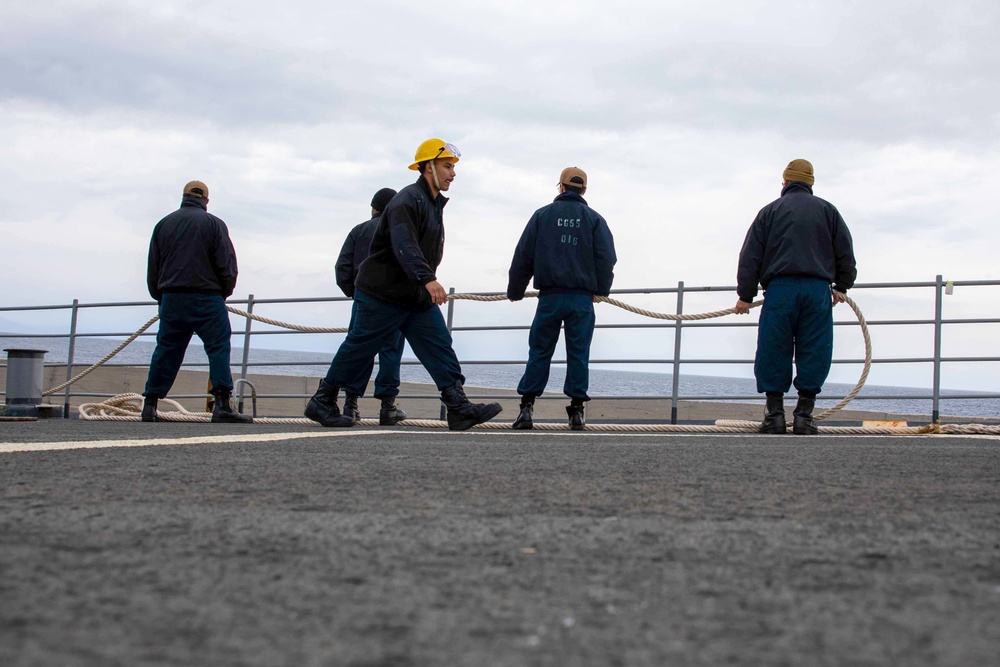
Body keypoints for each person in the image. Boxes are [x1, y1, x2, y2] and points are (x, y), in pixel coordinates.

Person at [305, 139, 503, 431]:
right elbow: (404, 244)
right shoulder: (407, 199)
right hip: (382, 294)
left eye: (453, 167)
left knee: (439, 345)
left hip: (413, 297)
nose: (453, 173)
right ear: (428, 167)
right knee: (359, 347)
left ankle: (458, 407)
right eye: (447, 166)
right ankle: (323, 400)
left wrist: (422, 282)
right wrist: (428, 279)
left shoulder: (433, 203)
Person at [734, 159, 857, 435]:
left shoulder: (769, 212)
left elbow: (750, 255)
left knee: (773, 347)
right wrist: (842, 286)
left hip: (780, 289)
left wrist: (745, 294)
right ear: (811, 183)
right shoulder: (828, 211)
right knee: (815, 348)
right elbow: (845, 253)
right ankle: (804, 416)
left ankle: (774, 416)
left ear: (785, 182)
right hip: (817, 290)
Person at [507, 167, 617, 430]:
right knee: (579, 354)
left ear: (561, 187)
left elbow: (524, 254)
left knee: (540, 351)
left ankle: (526, 408)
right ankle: (576, 411)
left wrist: (516, 290)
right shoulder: (595, 220)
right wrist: (601, 290)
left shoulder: (542, 215)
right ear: (584, 190)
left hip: (550, 298)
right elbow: (607, 258)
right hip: (581, 300)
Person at [142, 180, 252, 423]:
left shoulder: (163, 224)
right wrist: (223, 292)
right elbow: (227, 265)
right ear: (206, 200)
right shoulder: (214, 224)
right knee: (218, 347)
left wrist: (160, 296)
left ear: (183, 196)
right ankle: (222, 404)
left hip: (172, 296)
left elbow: (153, 267)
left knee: (167, 350)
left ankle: (150, 404)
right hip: (207, 297)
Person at [334, 187, 407, 425]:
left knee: (359, 349)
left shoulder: (358, 230)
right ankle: (387, 406)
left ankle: (350, 403)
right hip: (394, 301)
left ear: (374, 208)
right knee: (391, 352)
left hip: (364, 299)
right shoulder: (400, 230)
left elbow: (342, 267)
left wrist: (354, 292)